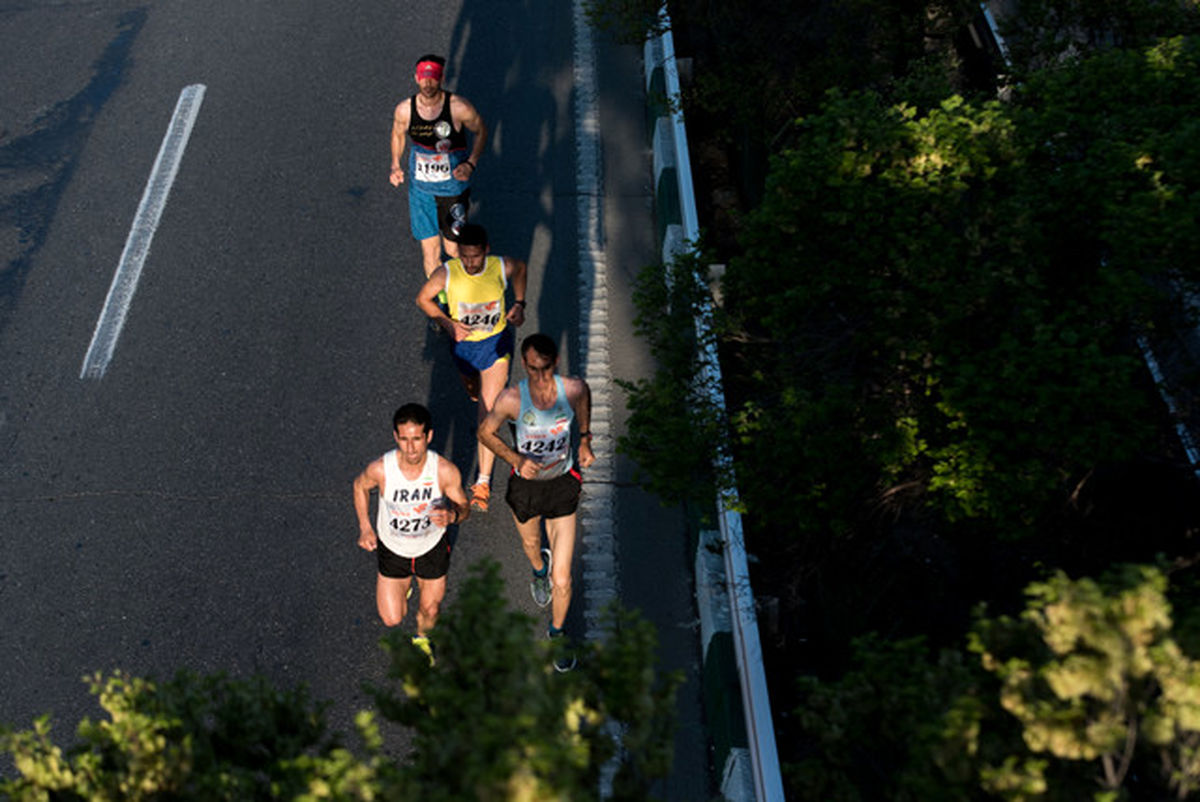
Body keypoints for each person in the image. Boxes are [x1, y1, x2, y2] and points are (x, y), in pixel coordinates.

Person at [478, 334, 594, 671]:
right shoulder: (512, 399)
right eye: (532, 369)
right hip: (526, 488)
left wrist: (585, 440)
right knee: (532, 546)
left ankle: (557, 633)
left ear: (555, 362)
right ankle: (537, 569)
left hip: (561, 486)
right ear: (525, 366)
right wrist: (515, 458)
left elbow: (584, 400)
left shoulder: (573, 389)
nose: (540, 377)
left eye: (545, 369)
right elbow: (485, 433)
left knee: (564, 579)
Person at [416, 223, 526, 514]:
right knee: (472, 390)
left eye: (475, 257)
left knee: (487, 413)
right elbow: (423, 299)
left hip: (494, 347)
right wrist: (447, 323)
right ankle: (472, 386)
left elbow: (521, 269)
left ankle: (483, 481)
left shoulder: (500, 266)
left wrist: (520, 303)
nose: (470, 263)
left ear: (485, 251)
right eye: (465, 257)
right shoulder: (448, 272)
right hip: (464, 349)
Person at [353, 403, 470, 660]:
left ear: (428, 436)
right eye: (404, 439)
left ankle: (422, 640)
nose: (411, 448)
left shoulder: (443, 471)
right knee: (391, 618)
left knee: (430, 609)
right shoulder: (382, 469)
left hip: (432, 547)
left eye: (417, 439)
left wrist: (452, 515)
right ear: (396, 436)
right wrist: (365, 527)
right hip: (393, 549)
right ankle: (404, 583)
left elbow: (464, 508)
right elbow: (359, 486)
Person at [390, 54, 488, 278]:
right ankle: (443, 304)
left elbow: (481, 130)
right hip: (421, 190)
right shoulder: (405, 110)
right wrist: (395, 165)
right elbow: (397, 134)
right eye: (424, 78)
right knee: (430, 251)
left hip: (451, 190)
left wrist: (471, 163)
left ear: (441, 79)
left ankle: (467, 292)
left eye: (432, 78)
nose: (428, 83)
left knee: (453, 249)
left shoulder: (458, 107)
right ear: (416, 78)